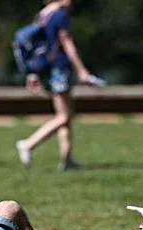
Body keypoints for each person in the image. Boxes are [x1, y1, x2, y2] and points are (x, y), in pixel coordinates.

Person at [16, 0, 95, 171]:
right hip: (59, 68)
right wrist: (81, 70)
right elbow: (66, 42)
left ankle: (67, 160)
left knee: (65, 115)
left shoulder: (43, 15)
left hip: (47, 69)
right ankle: (28, 144)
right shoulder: (59, 15)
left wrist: (33, 73)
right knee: (64, 117)